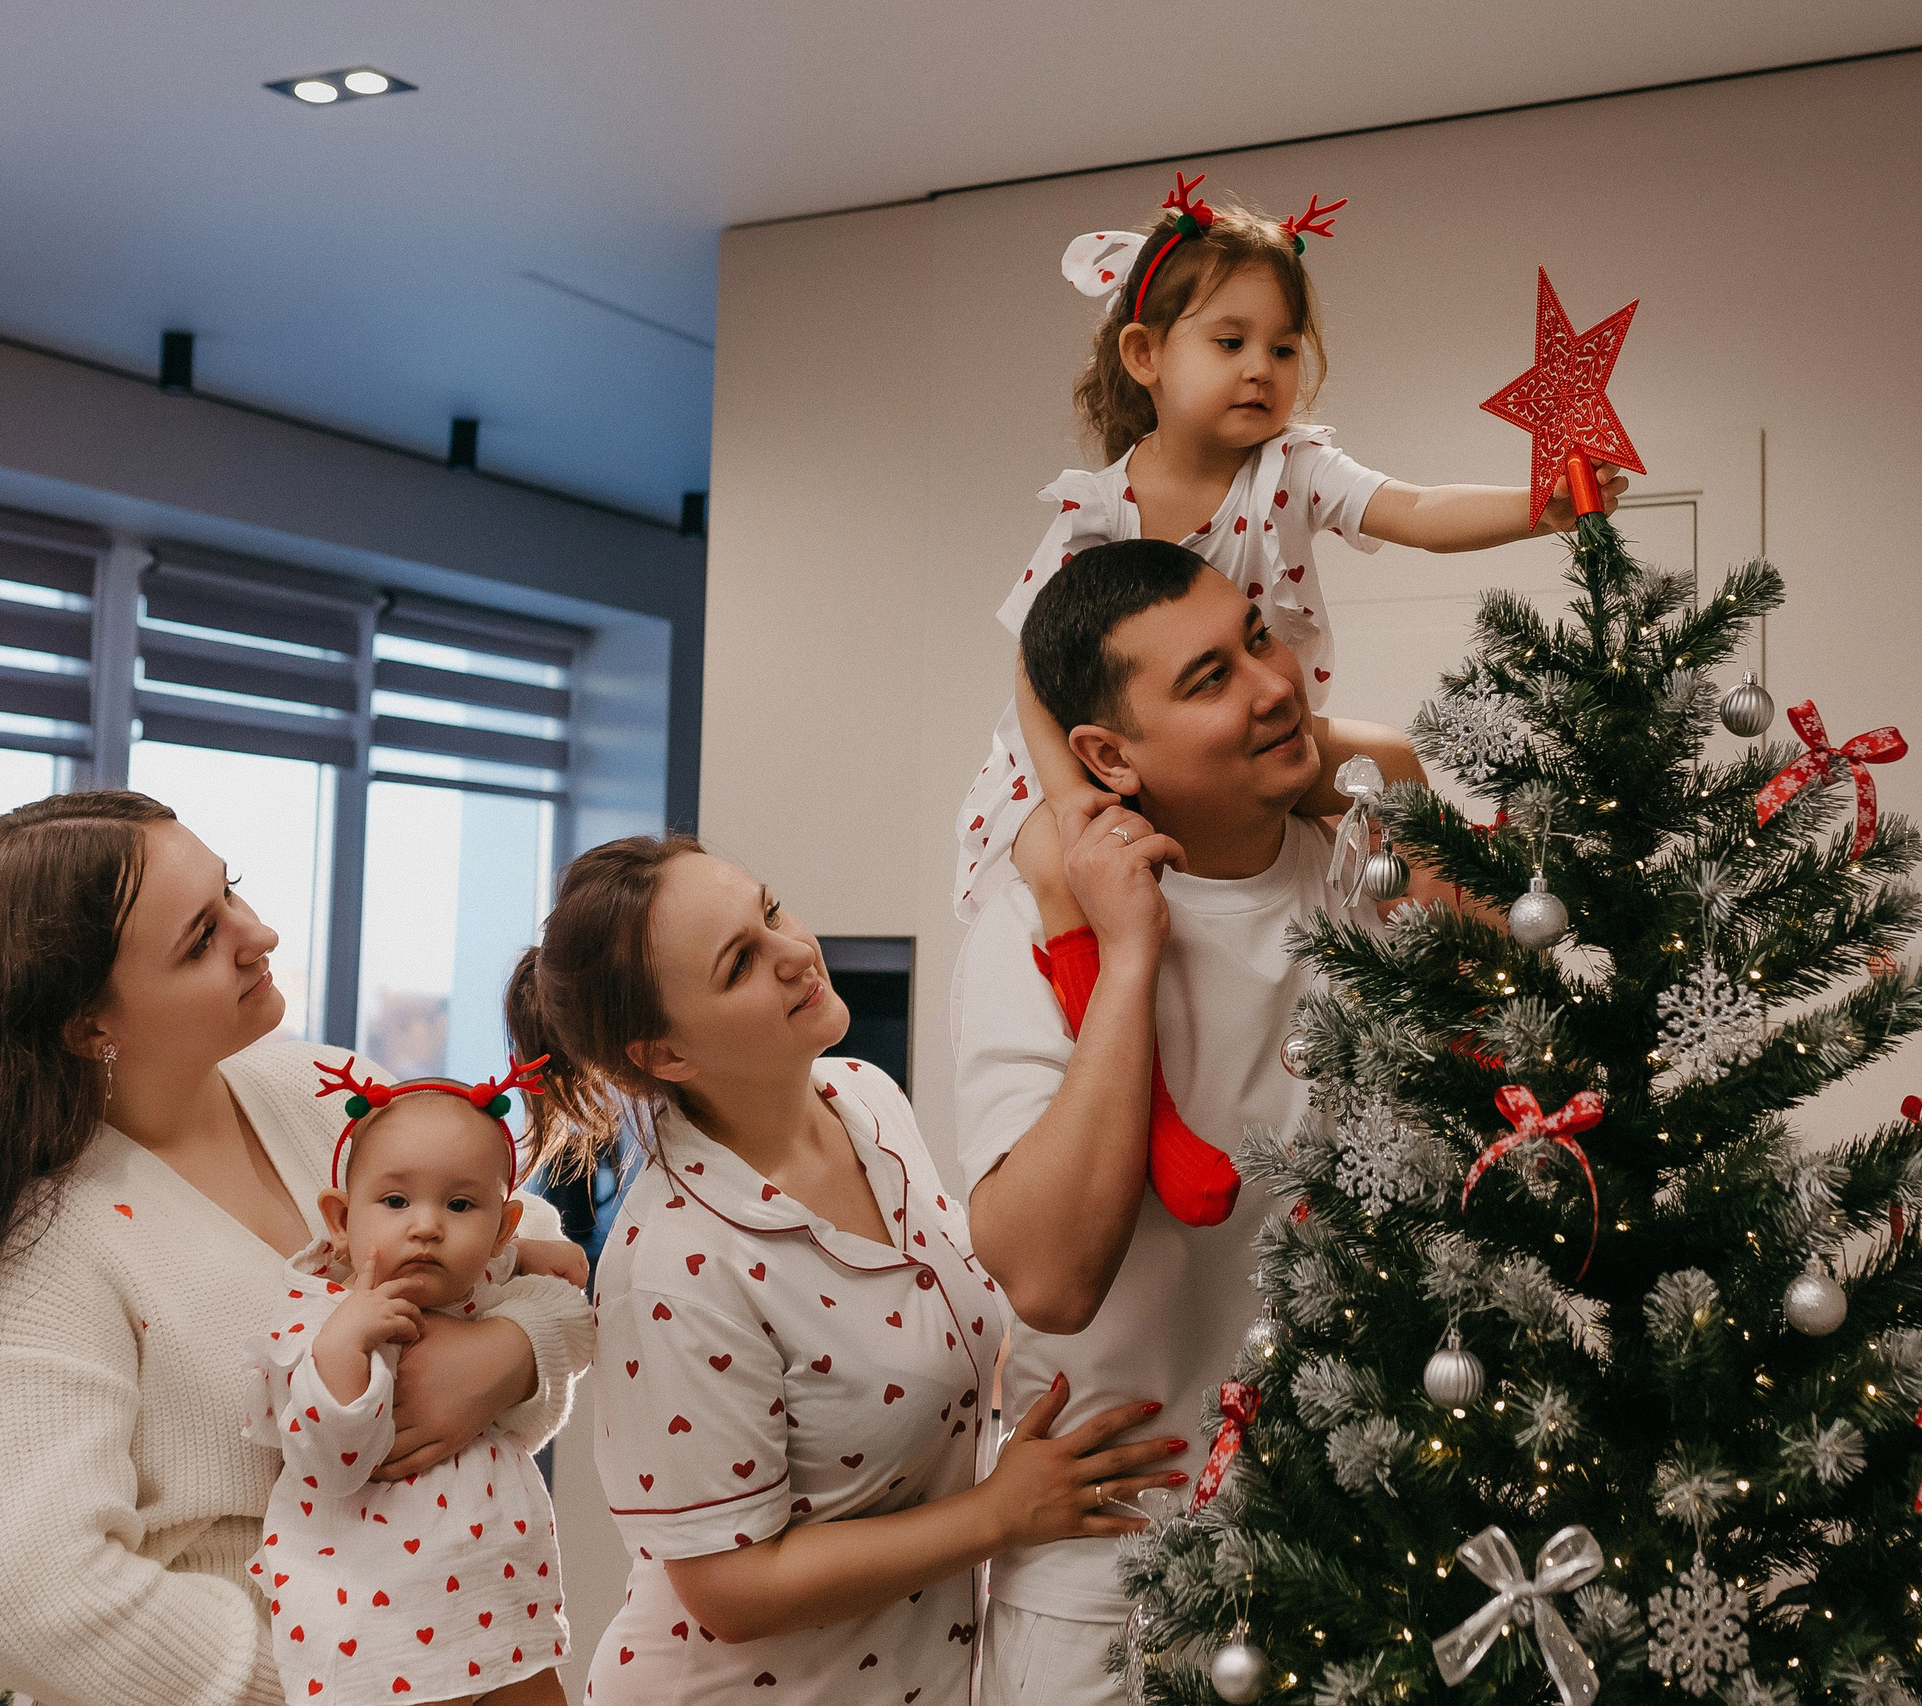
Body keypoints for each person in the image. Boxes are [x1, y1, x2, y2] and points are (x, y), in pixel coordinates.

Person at [0, 792, 593, 1706]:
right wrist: (346, 1675)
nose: (257, 933)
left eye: (233, 894)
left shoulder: (316, 1090)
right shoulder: (38, 1250)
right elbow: (22, 1602)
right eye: (199, 940)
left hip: (481, 1652)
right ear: (88, 1026)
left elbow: (528, 1246)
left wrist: (514, 1352)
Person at [954, 169, 1622, 1227]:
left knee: (1389, 762)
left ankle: (1479, 1058)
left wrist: (1539, 506)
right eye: (1228, 342)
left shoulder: (1296, 467)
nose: (1261, 370)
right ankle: (1159, 1123)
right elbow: (1034, 669)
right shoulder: (1095, 509)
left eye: (1281, 346)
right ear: (1145, 357)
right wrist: (1069, 797)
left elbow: (1413, 508)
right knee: (1051, 866)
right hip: (1090, 752)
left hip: (1267, 728)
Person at [504, 838, 1191, 1706]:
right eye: (740, 963)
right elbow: (729, 1590)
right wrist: (1001, 1513)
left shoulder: (865, 1096)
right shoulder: (674, 1265)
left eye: (772, 909)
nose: (796, 954)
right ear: (665, 1056)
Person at [956, 538, 1377, 1705]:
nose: (1271, 682)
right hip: (1111, 1572)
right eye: (1206, 679)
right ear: (1106, 755)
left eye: (1256, 636)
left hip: (1359, 1538)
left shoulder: (1372, 881)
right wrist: (1128, 952)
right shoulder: (1028, 930)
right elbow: (1045, 1274)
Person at [245, 1059, 595, 1706]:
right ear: (341, 1220)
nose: (427, 1226)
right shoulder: (320, 1316)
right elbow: (330, 1462)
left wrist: (526, 1258)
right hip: (386, 1629)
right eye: (396, 1201)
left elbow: (572, 1310)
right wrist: (345, 1346)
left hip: (503, 1600)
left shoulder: (483, 1282)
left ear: (502, 1228)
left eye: (461, 1206)